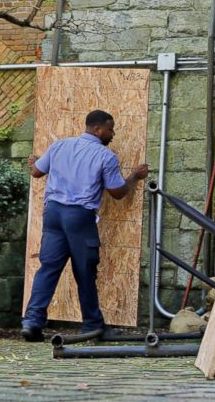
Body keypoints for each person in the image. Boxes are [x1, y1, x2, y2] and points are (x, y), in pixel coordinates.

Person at [21, 109, 149, 342]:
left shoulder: (59, 146)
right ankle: (92, 326)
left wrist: (35, 161)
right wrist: (134, 176)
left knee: (48, 268)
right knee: (85, 272)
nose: (113, 134)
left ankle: (31, 322)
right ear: (98, 129)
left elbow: (36, 172)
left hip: (53, 214)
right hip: (79, 217)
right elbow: (118, 192)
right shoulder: (105, 156)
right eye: (110, 129)